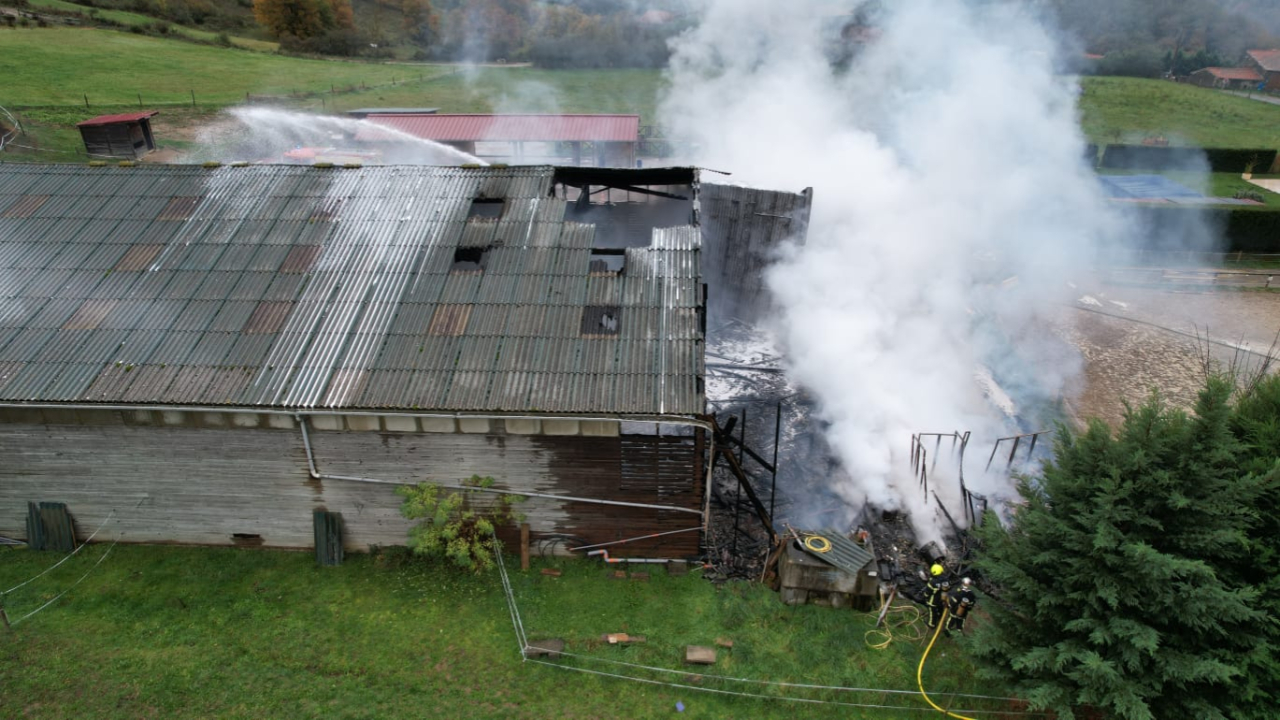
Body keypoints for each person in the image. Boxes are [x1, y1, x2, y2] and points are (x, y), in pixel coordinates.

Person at [924, 563, 950, 630]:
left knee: (932, 612)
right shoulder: (946, 579)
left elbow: (928, 592)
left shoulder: (932, 582)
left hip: (933, 601)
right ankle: (940, 617)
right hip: (942, 600)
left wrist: (925, 596)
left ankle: (931, 625)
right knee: (940, 609)